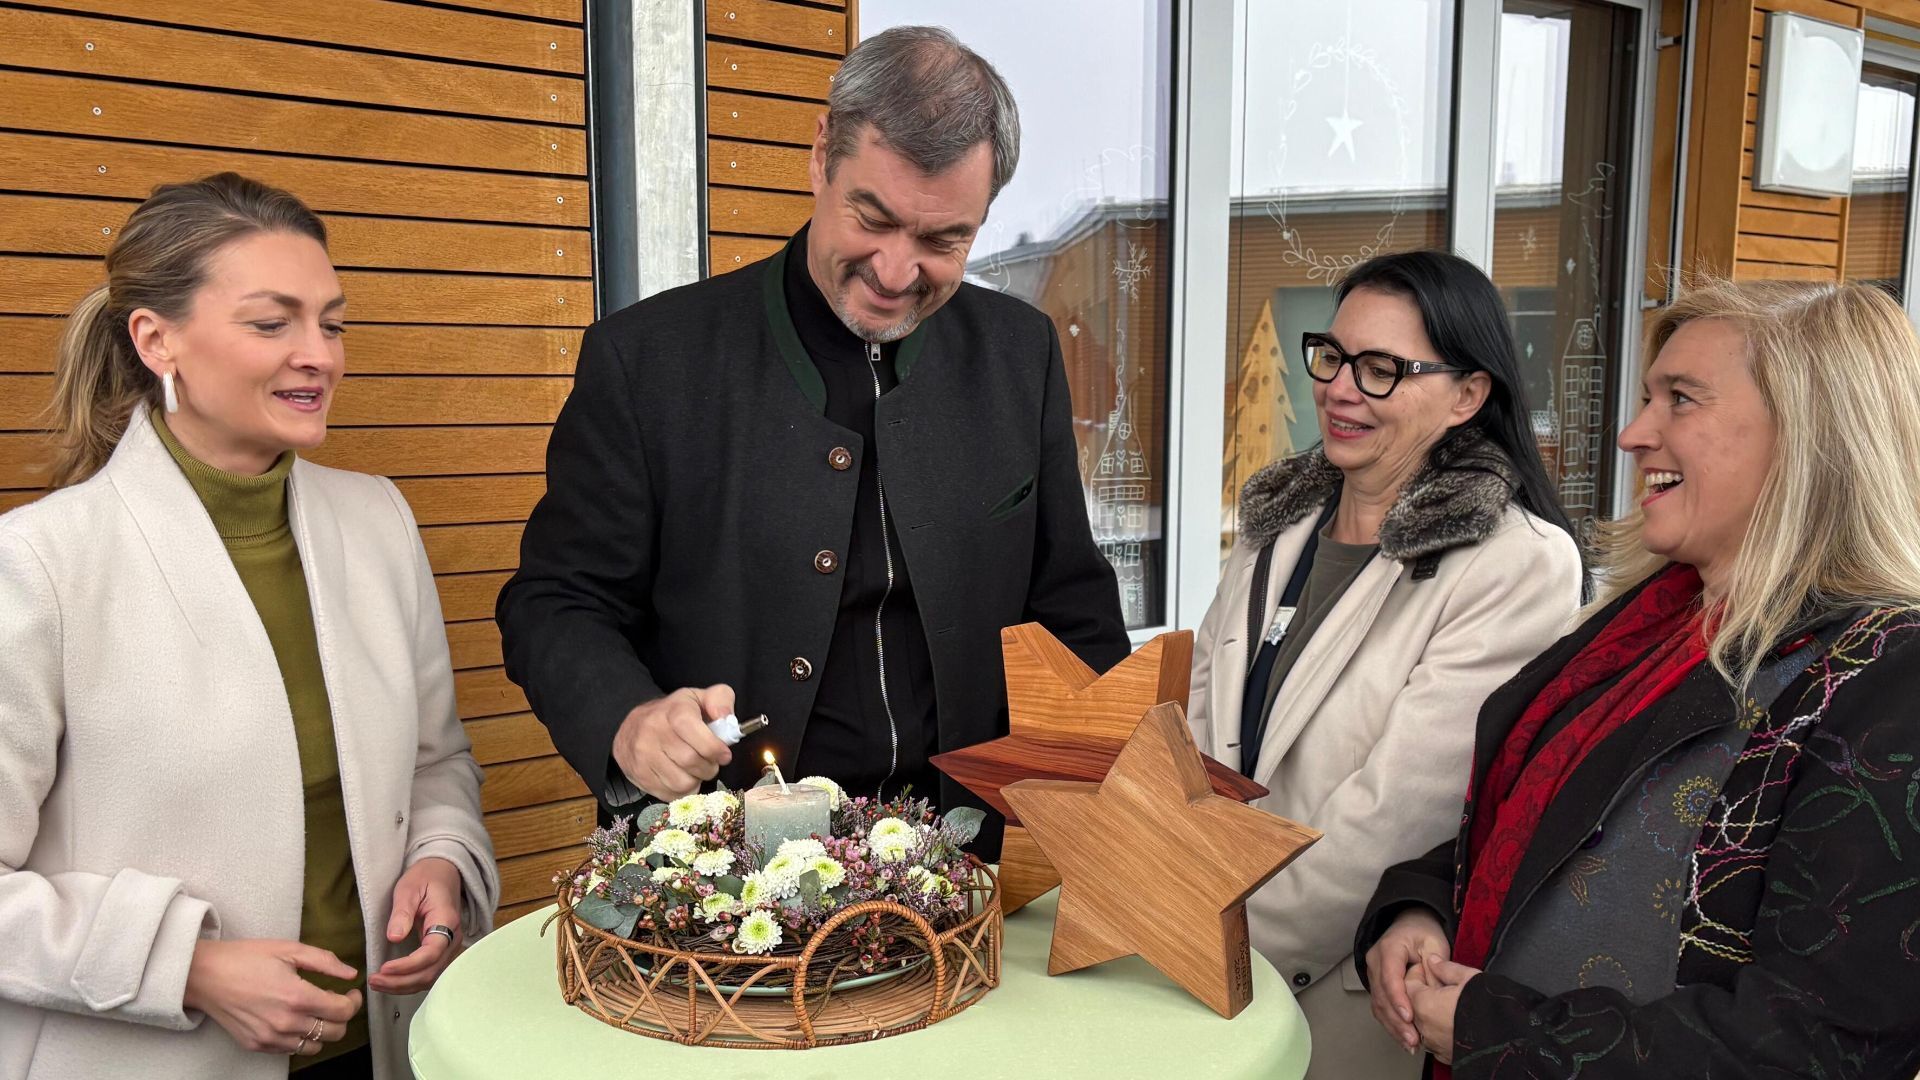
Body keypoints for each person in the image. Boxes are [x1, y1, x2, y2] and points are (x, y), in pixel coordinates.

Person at [496, 26, 1130, 831]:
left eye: (943, 240)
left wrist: (1104, 811)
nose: (896, 273)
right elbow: (555, 600)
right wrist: (628, 719)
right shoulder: (647, 361)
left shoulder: (1019, 351)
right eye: (872, 217)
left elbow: (1072, 607)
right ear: (822, 152)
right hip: (726, 866)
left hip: (976, 857)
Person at [0, 174, 498, 1080]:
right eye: (272, 324)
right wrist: (185, 968)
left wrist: (441, 862)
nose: (320, 356)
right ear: (156, 340)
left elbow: (435, 763)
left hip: (382, 1044)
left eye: (332, 324)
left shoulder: (378, 522)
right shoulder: (40, 564)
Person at [1357, 278, 1920, 1079]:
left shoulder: (1888, 678)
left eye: (1680, 400)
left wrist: (1502, 1034)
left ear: (1810, 435)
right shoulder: (1652, 624)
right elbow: (1546, 822)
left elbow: (1822, 1044)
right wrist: (1421, 906)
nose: (1632, 434)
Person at [1187, 250, 1583, 1078]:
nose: (1340, 389)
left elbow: (1398, 817)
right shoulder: (1276, 524)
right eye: (1332, 357)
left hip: (1328, 994)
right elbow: (1200, 719)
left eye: (1381, 370)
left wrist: (1215, 943)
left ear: (1467, 396)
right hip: (1192, 952)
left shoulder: (1515, 562)